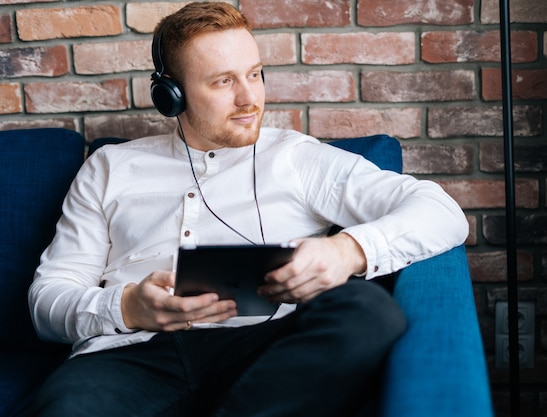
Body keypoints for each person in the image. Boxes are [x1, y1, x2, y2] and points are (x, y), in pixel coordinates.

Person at [27, 2, 469, 416]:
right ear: (171, 96)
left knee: (367, 312)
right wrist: (127, 308)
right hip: (131, 359)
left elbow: (441, 211)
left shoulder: (296, 158)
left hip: (266, 350)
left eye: (254, 74)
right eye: (223, 81)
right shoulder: (108, 167)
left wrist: (345, 251)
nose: (249, 99)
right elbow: (48, 300)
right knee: (65, 406)